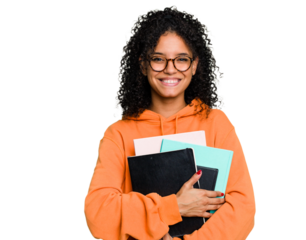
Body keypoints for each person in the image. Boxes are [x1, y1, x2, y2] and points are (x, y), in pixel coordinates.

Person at [83, 4, 256, 240]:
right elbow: (98, 215)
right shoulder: (118, 133)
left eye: (181, 59)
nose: (170, 70)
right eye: (158, 59)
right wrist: (174, 206)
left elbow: (243, 210)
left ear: (194, 65)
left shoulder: (218, 124)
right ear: (143, 65)